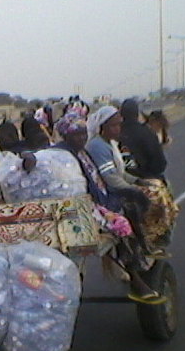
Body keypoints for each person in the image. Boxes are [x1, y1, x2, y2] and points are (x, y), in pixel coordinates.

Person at [50, 112, 167, 304]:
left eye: (83, 133)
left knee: (129, 207)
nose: (81, 138)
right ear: (66, 136)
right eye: (76, 135)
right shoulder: (63, 155)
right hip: (82, 204)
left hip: (97, 197)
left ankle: (142, 251)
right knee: (121, 221)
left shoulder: (81, 151)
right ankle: (135, 277)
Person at [119, 99, 167, 180]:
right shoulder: (147, 132)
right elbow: (160, 163)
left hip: (125, 182)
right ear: (137, 114)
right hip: (149, 180)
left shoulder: (116, 135)